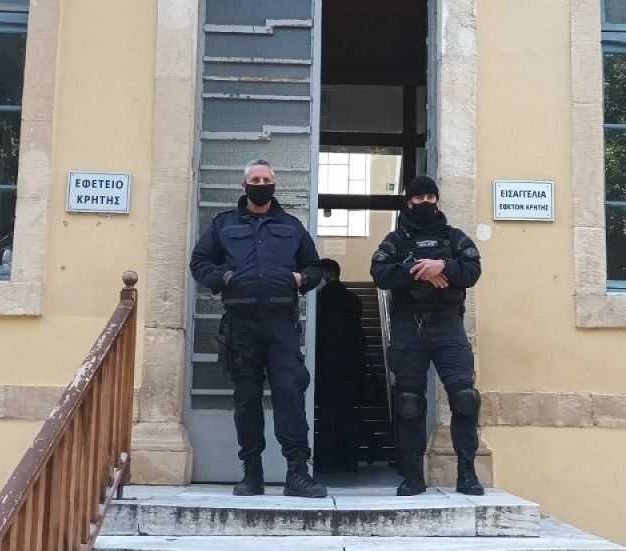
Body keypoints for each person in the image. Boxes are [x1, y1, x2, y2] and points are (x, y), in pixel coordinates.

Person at [189, 159, 327, 498]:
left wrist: (301, 278)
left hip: (282, 324)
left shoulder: (291, 226)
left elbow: (314, 267)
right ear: (244, 185)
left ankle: (297, 473)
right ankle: (252, 474)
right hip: (242, 325)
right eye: (255, 179)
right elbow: (199, 262)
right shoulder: (223, 224)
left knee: (290, 395)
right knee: (247, 400)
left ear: (274, 184)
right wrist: (224, 278)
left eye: (266, 180)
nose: (261, 184)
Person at [369, 176, 484, 497]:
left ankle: (467, 474)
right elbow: (379, 273)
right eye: (419, 198)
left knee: (465, 398)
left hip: (448, 326)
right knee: (409, 402)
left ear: (437, 199)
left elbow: (473, 271)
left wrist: (443, 265)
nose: (425, 202)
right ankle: (412, 476)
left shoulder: (455, 238)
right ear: (409, 202)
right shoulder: (396, 240)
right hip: (410, 327)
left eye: (430, 197)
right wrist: (418, 269)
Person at [314, 258, 366, 473]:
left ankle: (327, 458)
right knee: (347, 411)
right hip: (352, 365)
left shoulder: (320, 300)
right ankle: (350, 458)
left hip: (328, 364)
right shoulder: (353, 300)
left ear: (329, 274)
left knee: (327, 412)